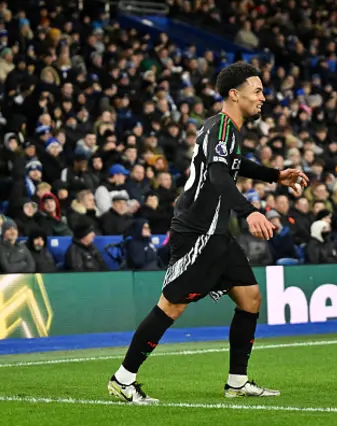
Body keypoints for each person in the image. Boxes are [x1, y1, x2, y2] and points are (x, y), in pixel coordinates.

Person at [108, 62, 309, 404]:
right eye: (257, 90)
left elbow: (234, 164)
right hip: (198, 233)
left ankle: (237, 382)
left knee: (250, 299)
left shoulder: (225, 129)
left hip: (216, 234)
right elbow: (218, 175)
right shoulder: (221, 129)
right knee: (171, 307)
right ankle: (122, 379)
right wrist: (249, 210)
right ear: (235, 94)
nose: (263, 97)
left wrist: (276, 176)